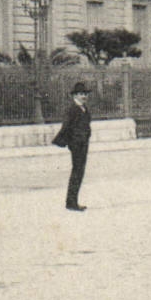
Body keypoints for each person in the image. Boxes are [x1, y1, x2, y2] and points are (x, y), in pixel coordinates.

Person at [52, 82, 92, 211]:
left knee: (79, 172)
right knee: (77, 172)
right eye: (81, 94)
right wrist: (71, 143)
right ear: (74, 95)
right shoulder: (72, 109)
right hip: (77, 145)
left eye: (85, 94)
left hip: (83, 144)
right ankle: (71, 202)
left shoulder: (84, 108)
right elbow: (67, 127)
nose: (84, 96)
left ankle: (72, 201)